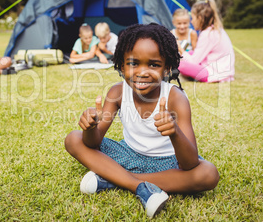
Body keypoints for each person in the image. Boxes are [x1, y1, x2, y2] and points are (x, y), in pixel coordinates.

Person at [64, 23, 219, 218]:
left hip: (168, 163)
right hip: (128, 155)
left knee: (208, 174)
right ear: (121, 64)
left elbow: (189, 163)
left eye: (153, 64)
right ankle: (138, 186)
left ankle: (113, 179)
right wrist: (90, 128)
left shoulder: (175, 97)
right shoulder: (117, 92)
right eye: (133, 63)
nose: (142, 72)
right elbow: (93, 142)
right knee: (73, 139)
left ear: (167, 68)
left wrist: (174, 132)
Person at [178, 0, 235, 82]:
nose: (191, 21)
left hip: (215, 73)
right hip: (223, 70)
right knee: (190, 53)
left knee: (180, 65)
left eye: (193, 18)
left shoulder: (208, 34)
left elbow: (194, 62)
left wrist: (180, 49)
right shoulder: (215, 30)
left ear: (200, 18)